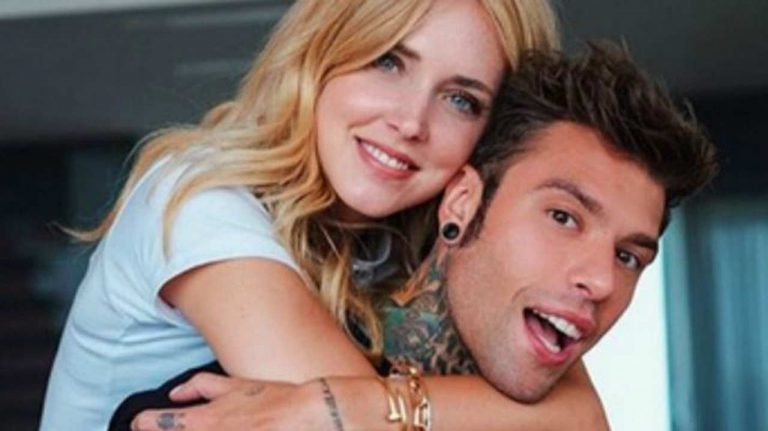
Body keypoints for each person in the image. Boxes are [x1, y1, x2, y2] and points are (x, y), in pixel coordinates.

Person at [41, 1, 607, 430]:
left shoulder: (416, 247)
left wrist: (338, 405)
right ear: (322, 52)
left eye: (462, 100)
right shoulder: (200, 197)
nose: (411, 121)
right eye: (388, 62)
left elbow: (581, 419)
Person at [127, 42, 718, 430]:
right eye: (563, 217)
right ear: (462, 201)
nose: (600, 280)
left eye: (628, 256)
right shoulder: (241, 401)